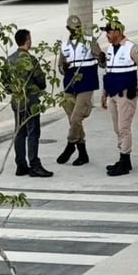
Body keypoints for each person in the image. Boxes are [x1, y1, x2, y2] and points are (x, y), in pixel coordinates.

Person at [100, 21, 138, 176]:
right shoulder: (110, 49)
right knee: (117, 128)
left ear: (117, 32)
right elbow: (108, 72)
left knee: (124, 128)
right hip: (112, 94)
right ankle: (125, 160)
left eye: (109, 32)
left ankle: (124, 160)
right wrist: (104, 94)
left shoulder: (132, 48)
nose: (107, 35)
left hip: (125, 94)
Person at [54, 14, 104, 167]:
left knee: (76, 118)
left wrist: (102, 58)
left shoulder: (90, 41)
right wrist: (64, 67)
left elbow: (101, 63)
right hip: (70, 84)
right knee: (72, 119)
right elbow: (60, 67)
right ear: (68, 29)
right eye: (73, 29)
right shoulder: (64, 45)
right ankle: (82, 152)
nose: (76, 31)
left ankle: (70, 145)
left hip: (86, 83)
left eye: (78, 28)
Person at [7, 29, 52, 178]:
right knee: (33, 133)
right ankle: (34, 165)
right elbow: (41, 82)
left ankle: (20, 164)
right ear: (27, 41)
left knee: (19, 132)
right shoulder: (30, 60)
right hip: (31, 101)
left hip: (17, 101)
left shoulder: (9, 59)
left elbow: (4, 81)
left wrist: (14, 90)